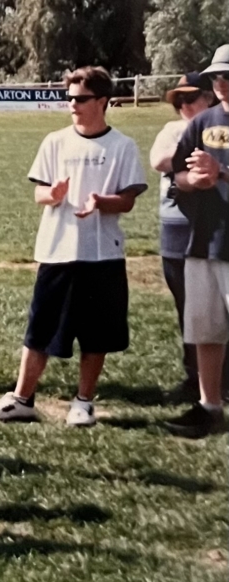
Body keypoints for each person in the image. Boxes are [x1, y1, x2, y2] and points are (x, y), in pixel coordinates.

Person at [0, 66, 147, 426]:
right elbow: (39, 191)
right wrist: (51, 195)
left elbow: (129, 199)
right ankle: (22, 399)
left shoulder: (122, 146)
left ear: (102, 101)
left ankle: (83, 402)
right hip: (57, 250)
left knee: (96, 334)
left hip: (102, 254)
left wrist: (102, 201)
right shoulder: (54, 141)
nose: (72, 104)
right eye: (69, 97)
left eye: (81, 98)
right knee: (39, 329)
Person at [166, 44, 229, 438]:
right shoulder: (204, 120)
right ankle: (209, 406)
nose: (221, 83)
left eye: (228, 76)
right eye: (217, 77)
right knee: (206, 329)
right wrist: (197, 180)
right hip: (204, 240)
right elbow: (177, 175)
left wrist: (220, 171)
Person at [149, 73, 222, 404]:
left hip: (212, 227)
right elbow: (159, 160)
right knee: (190, 309)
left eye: (191, 98)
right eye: (179, 100)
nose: (185, 106)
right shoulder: (174, 129)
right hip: (176, 229)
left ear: (209, 97)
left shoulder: (215, 128)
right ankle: (195, 378)